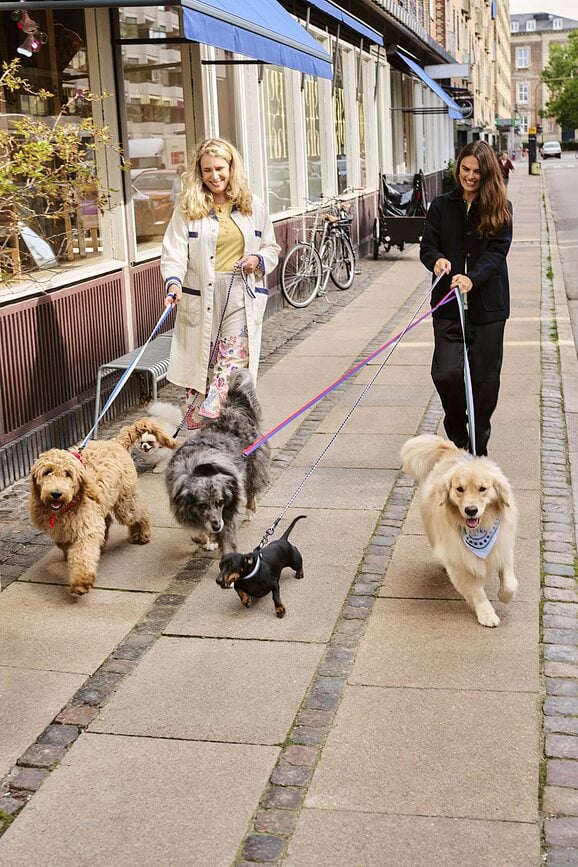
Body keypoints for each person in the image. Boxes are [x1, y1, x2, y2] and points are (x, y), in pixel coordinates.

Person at [161, 138, 280, 428]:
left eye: (219, 168)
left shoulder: (254, 205)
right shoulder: (188, 208)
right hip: (200, 297)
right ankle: (201, 432)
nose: (214, 176)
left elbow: (271, 247)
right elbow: (174, 251)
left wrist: (257, 260)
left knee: (229, 364)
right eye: (207, 170)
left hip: (239, 295)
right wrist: (173, 284)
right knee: (202, 366)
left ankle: (218, 423)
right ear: (198, 173)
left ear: (231, 167)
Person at [419, 140, 513, 456]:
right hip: (448, 306)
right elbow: (427, 247)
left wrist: (472, 279)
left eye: (477, 172)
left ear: (488, 174)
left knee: (485, 384)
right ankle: (459, 436)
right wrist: (437, 261)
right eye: (465, 169)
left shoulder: (501, 209)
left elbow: (497, 253)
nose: (470, 177)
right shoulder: (441, 205)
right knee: (445, 374)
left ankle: (479, 448)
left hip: (489, 309)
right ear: (458, 168)